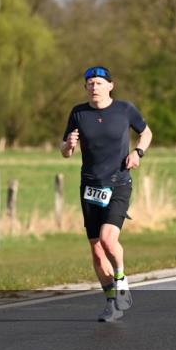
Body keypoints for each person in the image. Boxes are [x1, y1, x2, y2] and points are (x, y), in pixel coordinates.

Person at [60, 66, 152, 323]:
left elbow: (146, 132)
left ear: (110, 86)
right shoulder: (79, 113)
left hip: (119, 182)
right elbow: (64, 150)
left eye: (99, 83)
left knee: (108, 239)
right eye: (89, 83)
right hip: (90, 185)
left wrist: (138, 153)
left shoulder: (125, 110)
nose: (94, 87)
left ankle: (121, 280)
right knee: (97, 249)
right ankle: (112, 301)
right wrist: (68, 146)